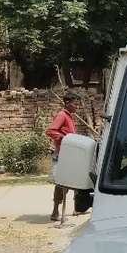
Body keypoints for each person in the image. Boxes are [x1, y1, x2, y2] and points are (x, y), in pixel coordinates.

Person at [45, 91, 78, 221]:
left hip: (70, 154)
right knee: (61, 183)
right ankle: (55, 211)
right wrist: (65, 138)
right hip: (62, 154)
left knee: (74, 180)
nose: (77, 107)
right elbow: (50, 131)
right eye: (75, 104)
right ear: (67, 103)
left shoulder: (69, 117)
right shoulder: (62, 115)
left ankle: (77, 208)